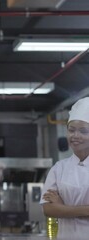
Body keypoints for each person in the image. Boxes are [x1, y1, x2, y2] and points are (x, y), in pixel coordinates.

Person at [40, 97, 89, 239]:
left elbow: (56, 209)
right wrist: (86, 210)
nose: (75, 136)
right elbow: (48, 209)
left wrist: (63, 207)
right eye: (71, 130)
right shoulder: (59, 168)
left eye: (84, 131)